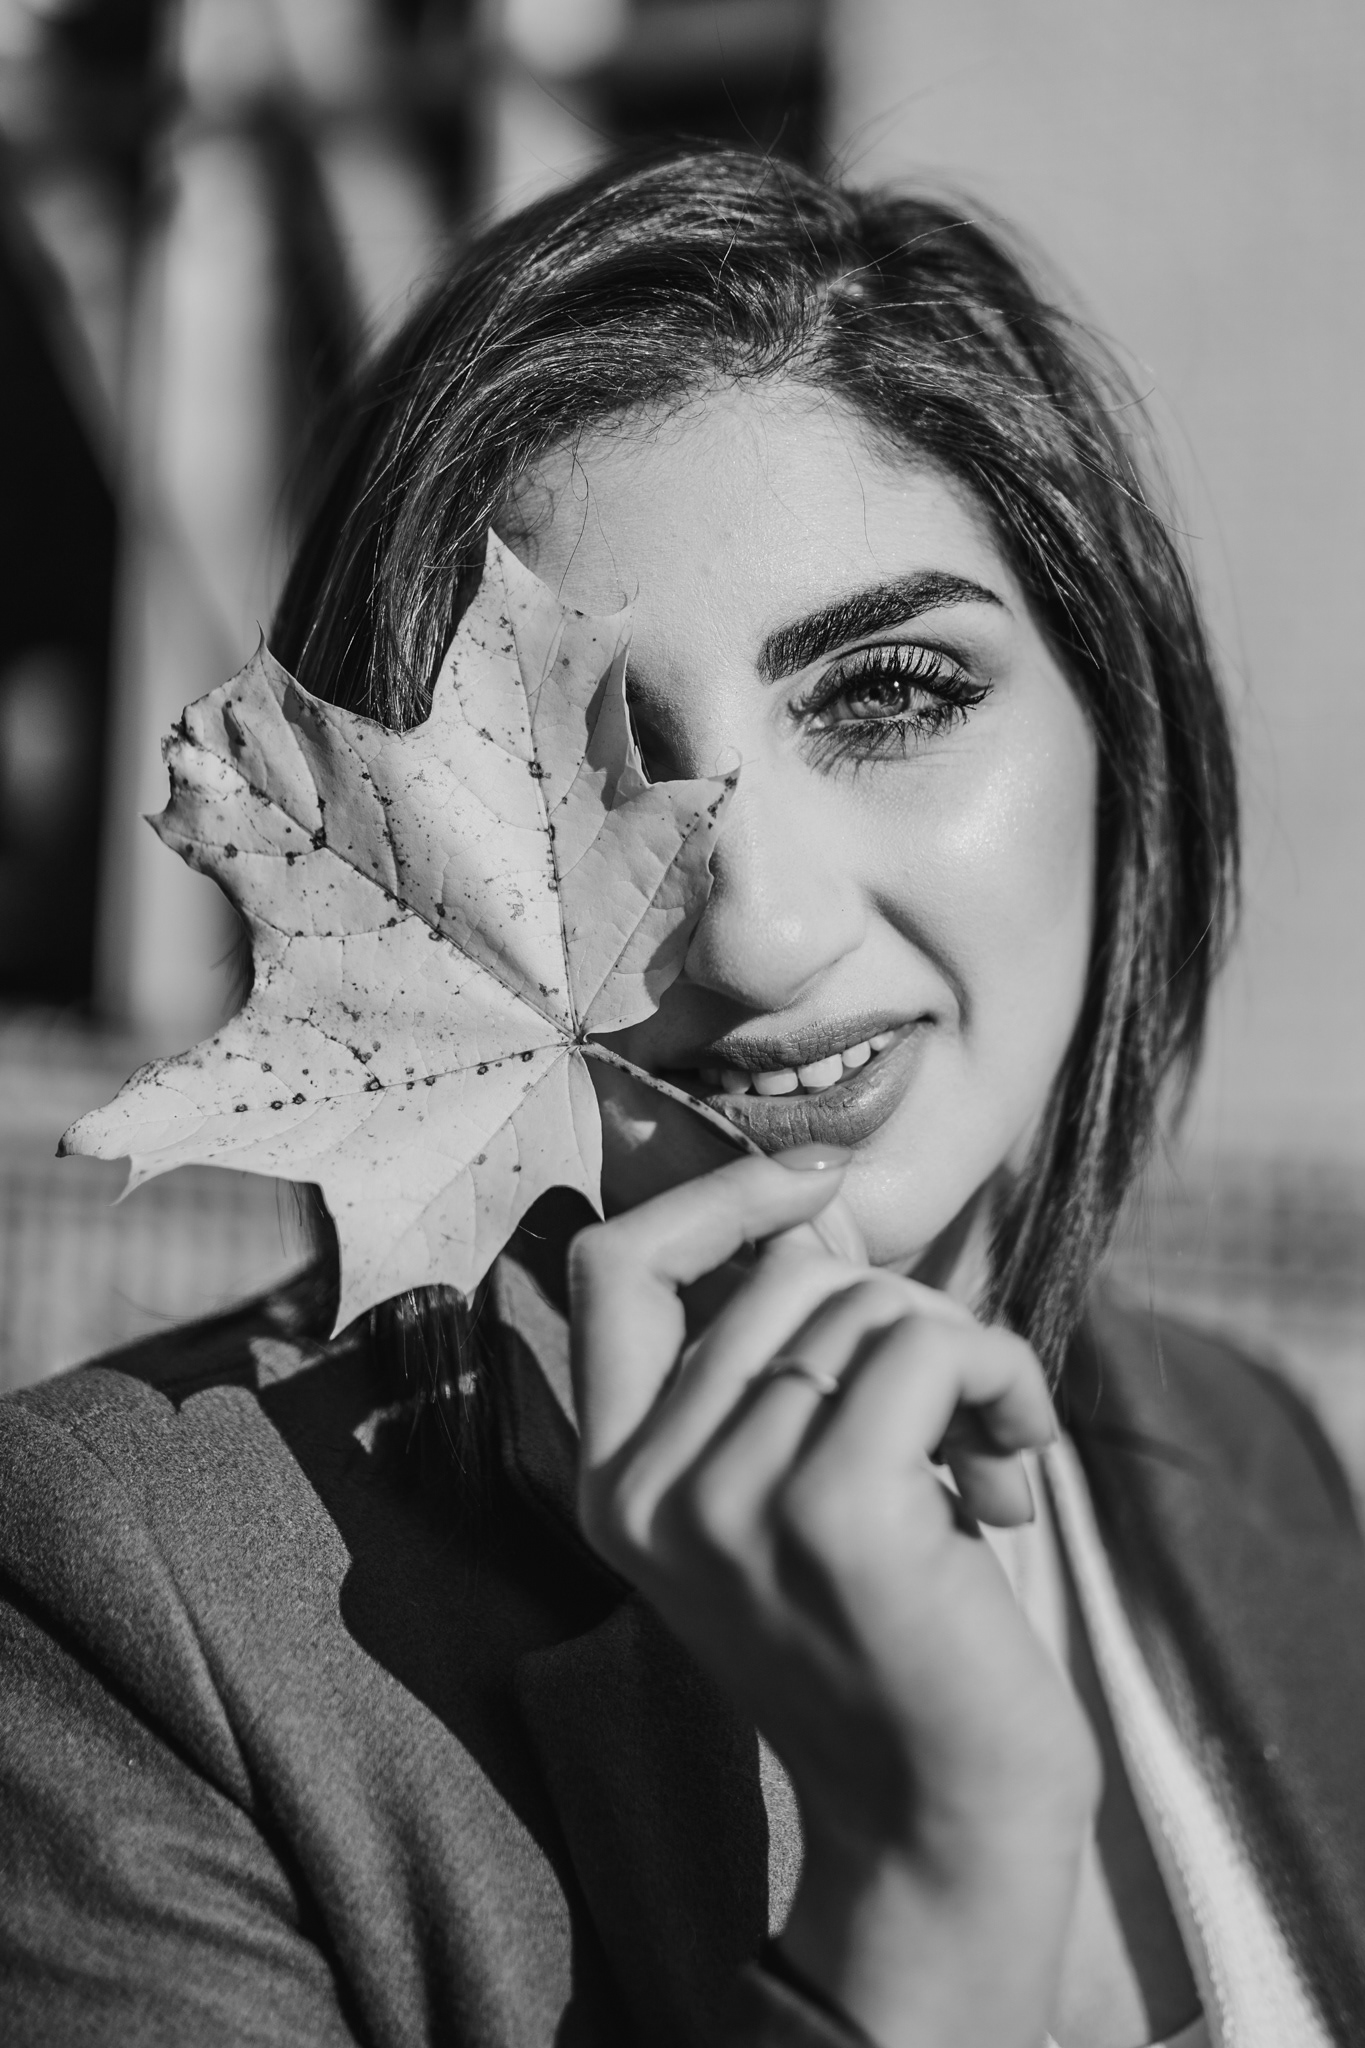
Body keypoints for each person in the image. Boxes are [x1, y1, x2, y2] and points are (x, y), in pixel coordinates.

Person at [1, 146, 1362, 2048]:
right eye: (588, 775)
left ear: (1114, 730)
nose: (763, 931)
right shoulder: (127, 1602)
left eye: (888, 694)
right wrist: (932, 1889)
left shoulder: (1249, 1454)